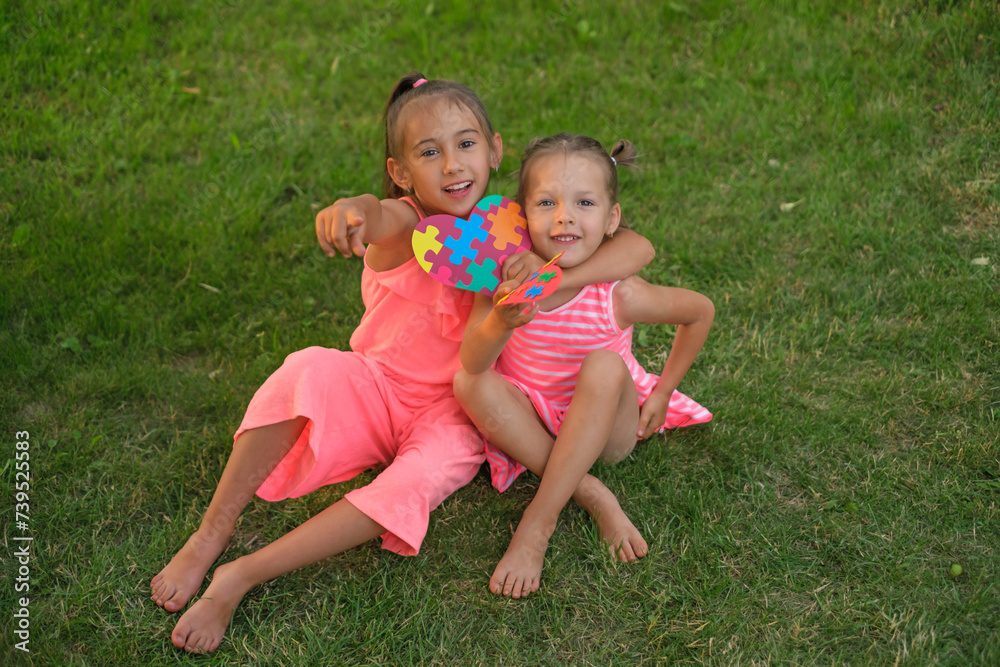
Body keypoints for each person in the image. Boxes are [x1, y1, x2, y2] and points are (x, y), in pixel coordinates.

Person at [150, 76, 655, 654]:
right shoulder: (408, 224)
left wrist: (550, 275)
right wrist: (353, 209)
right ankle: (212, 533)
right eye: (429, 152)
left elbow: (636, 247)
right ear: (399, 171)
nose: (451, 166)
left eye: (465, 145)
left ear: (494, 150)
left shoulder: (518, 225)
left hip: (458, 416)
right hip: (376, 385)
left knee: (409, 487)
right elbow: (378, 215)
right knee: (305, 369)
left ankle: (242, 575)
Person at [455, 132, 715, 599]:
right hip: (531, 418)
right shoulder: (500, 279)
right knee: (467, 384)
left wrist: (661, 392)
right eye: (547, 202)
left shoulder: (617, 291)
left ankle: (538, 522)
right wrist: (500, 319)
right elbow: (474, 362)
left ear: (612, 218)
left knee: (604, 364)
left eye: (585, 203)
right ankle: (590, 491)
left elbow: (699, 312)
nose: (565, 216)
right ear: (522, 215)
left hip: (606, 428)